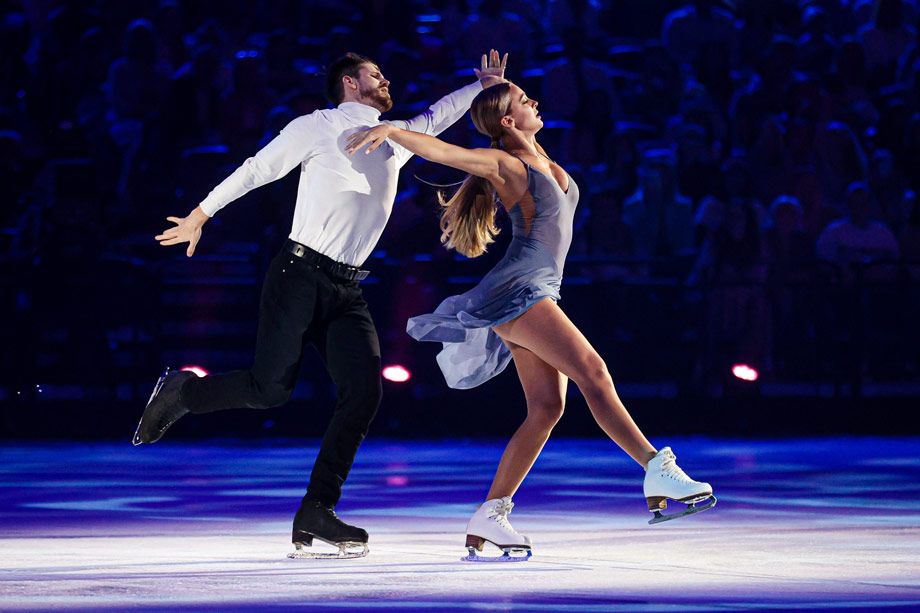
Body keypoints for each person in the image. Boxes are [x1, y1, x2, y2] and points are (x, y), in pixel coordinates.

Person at [133, 50, 508, 559]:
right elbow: (256, 169)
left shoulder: (393, 139)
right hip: (298, 275)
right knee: (270, 391)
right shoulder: (318, 126)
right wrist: (200, 214)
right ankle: (183, 392)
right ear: (350, 84)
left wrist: (482, 87)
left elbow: (435, 117)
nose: (386, 79)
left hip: (347, 289)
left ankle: (317, 510)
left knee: (364, 392)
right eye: (376, 74)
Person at [347, 81, 715, 562]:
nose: (535, 102)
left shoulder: (541, 158)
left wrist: (494, 85)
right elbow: (445, 151)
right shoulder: (507, 164)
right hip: (519, 290)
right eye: (524, 101)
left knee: (546, 409)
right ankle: (657, 469)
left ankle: (490, 515)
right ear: (507, 121)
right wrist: (394, 131)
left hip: (536, 289)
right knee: (594, 371)